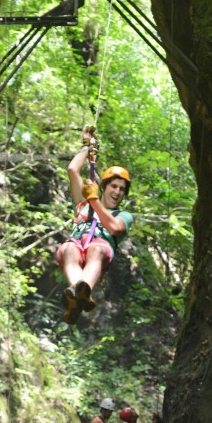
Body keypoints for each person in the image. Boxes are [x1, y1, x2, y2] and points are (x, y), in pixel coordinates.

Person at [57, 129, 133, 325]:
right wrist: (87, 147)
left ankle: (82, 291)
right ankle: (76, 293)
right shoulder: (84, 204)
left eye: (122, 189)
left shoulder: (124, 216)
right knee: (68, 249)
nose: (117, 192)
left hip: (98, 251)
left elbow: (115, 228)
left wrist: (94, 200)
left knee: (96, 249)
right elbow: (73, 170)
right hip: (76, 244)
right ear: (105, 186)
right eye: (113, 186)